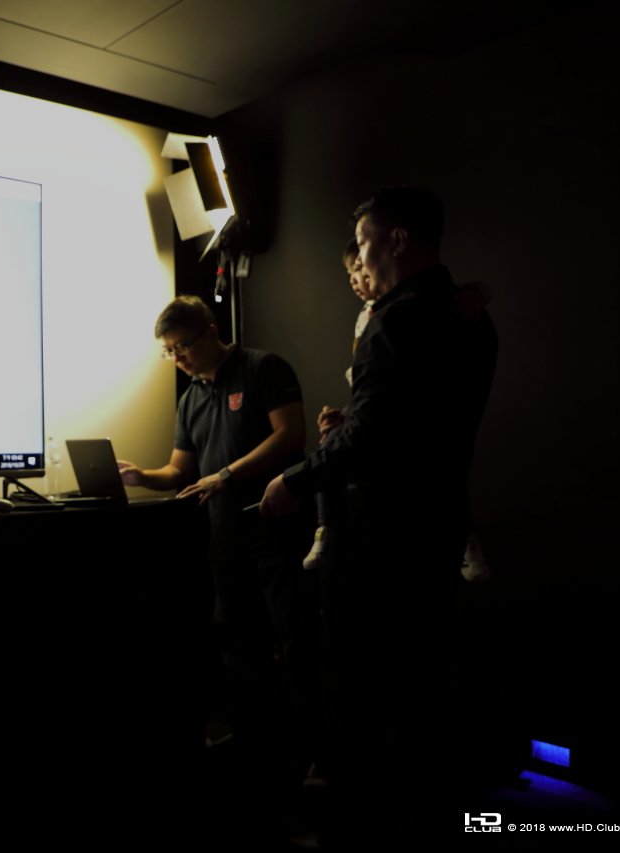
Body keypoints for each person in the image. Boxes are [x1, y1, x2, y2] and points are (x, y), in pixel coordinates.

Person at [260, 187, 498, 840]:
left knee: (357, 671)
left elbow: (370, 435)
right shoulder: (471, 317)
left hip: (380, 529)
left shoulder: (396, 320)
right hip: (438, 521)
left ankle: (354, 818)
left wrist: (294, 477)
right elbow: (415, 421)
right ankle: (417, 813)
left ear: (396, 239)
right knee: (420, 672)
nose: (359, 256)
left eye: (364, 242)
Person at [117, 295, 315, 762]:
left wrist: (226, 474)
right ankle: (255, 742)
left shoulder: (262, 368)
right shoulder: (190, 399)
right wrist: (140, 476)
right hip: (225, 544)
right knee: (238, 647)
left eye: (183, 346)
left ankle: (314, 750)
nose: (178, 358)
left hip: (277, 533)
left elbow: (290, 434)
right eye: (169, 351)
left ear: (210, 330)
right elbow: (179, 471)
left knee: (296, 640)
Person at [301, 239, 376, 571]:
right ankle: (324, 527)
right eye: (350, 273)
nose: (354, 279)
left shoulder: (398, 311)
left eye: (359, 269)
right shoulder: (364, 317)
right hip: (364, 407)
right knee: (329, 440)